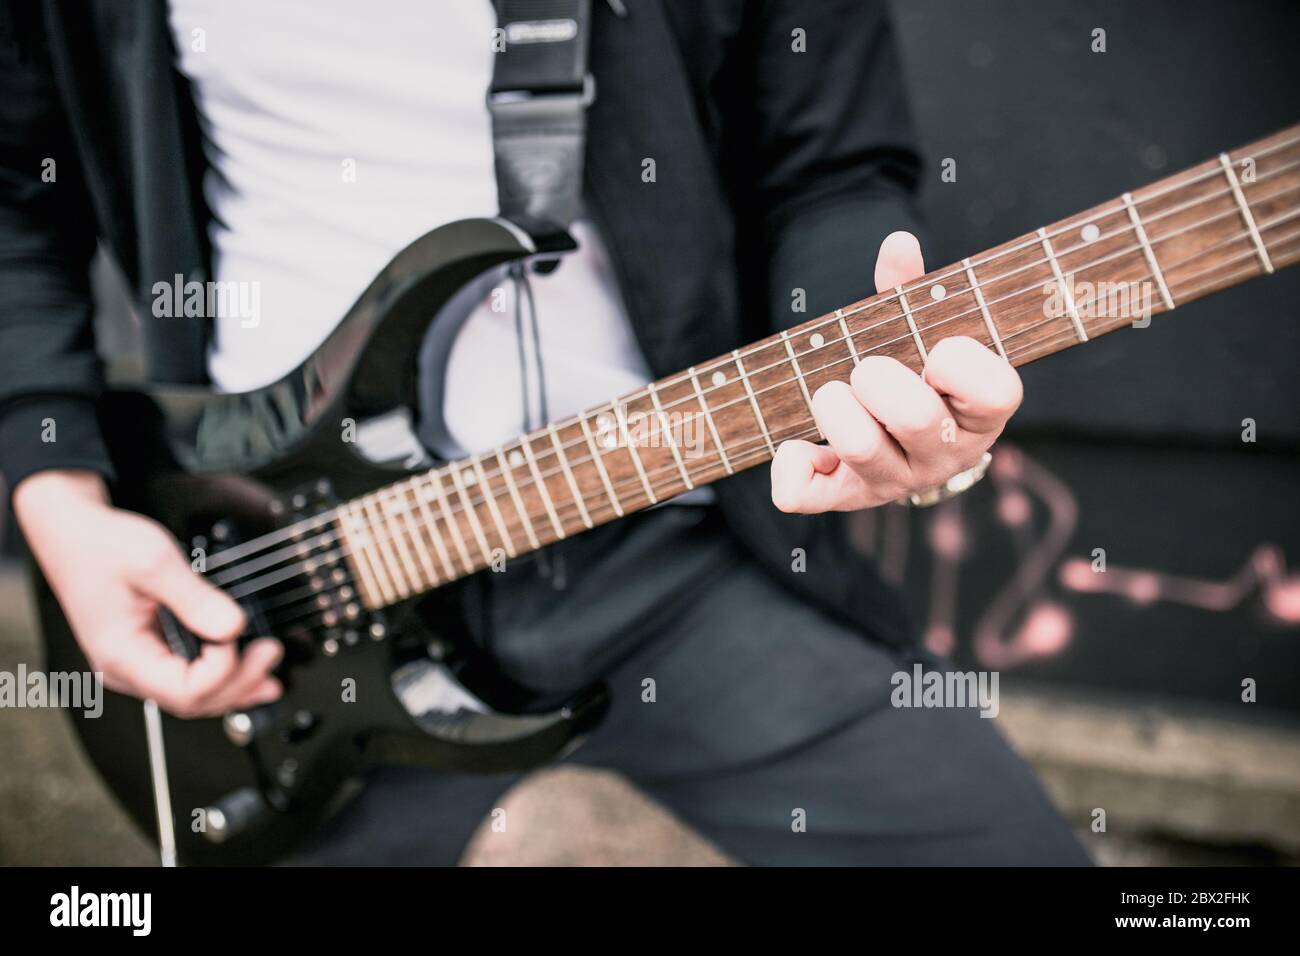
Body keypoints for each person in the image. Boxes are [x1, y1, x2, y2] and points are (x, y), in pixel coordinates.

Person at [0, 0, 1089, 865]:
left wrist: (871, 369)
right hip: (275, 576)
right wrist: (55, 494)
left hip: (671, 544)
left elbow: (831, 165)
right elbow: (12, 188)